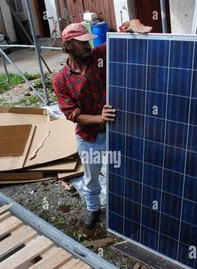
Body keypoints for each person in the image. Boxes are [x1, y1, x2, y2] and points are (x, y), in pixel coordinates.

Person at [53, 21, 150, 228]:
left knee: (126, 169)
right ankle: (93, 208)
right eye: (81, 43)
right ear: (69, 46)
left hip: (118, 131)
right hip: (90, 137)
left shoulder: (99, 55)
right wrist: (100, 119)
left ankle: (129, 206)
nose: (87, 46)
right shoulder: (61, 80)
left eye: (87, 41)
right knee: (91, 177)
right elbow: (72, 114)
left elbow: (122, 35)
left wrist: (133, 24)